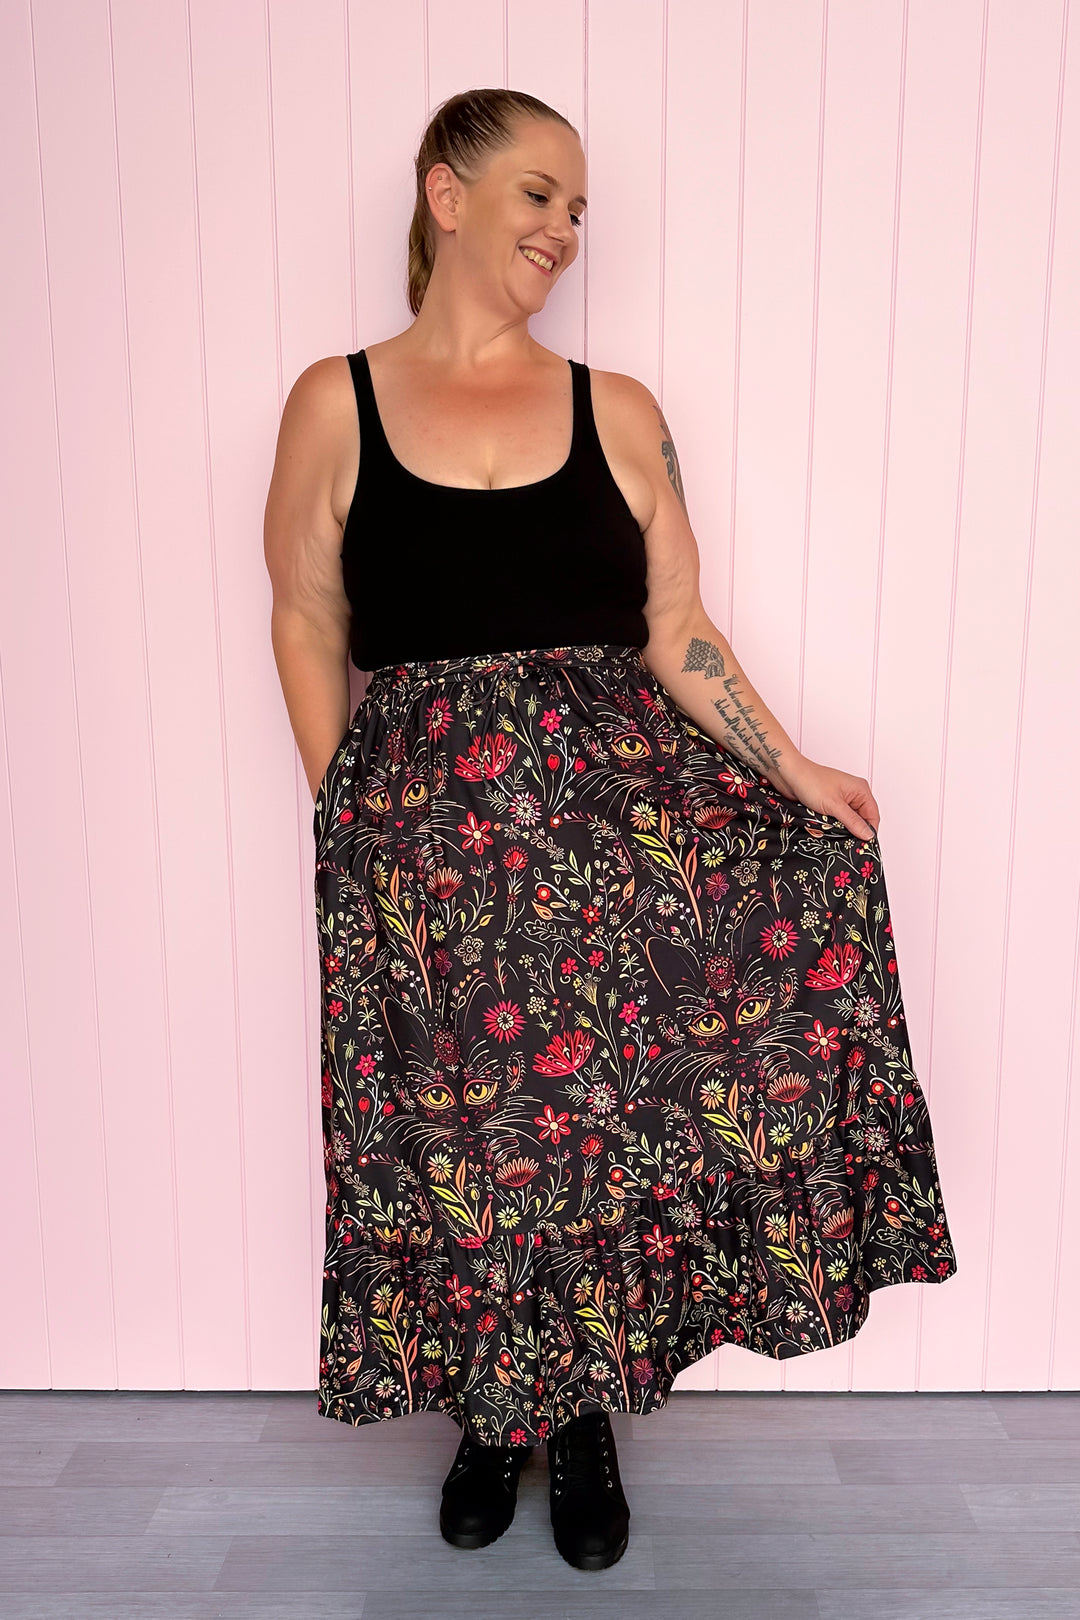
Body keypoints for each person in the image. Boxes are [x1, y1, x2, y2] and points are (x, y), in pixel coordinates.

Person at [264, 87, 958, 1573]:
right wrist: (348, 814)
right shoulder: (336, 401)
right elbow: (308, 614)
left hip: (611, 845)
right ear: (447, 195)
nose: (565, 230)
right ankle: (491, 1415)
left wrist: (794, 771)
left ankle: (578, 1417)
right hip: (428, 857)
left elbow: (677, 630)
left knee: (589, 1145)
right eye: (539, 194)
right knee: (463, 1144)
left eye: (579, 209)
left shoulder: (618, 409)